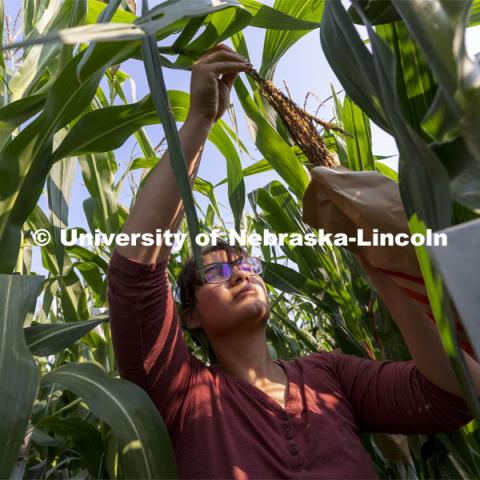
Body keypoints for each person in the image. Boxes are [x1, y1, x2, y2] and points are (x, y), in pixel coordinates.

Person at [107, 44, 478, 479]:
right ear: (189, 318)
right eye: (217, 270)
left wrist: (379, 261)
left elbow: (452, 396)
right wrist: (197, 123)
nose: (240, 272)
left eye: (246, 264)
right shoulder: (181, 392)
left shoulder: (329, 375)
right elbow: (136, 274)